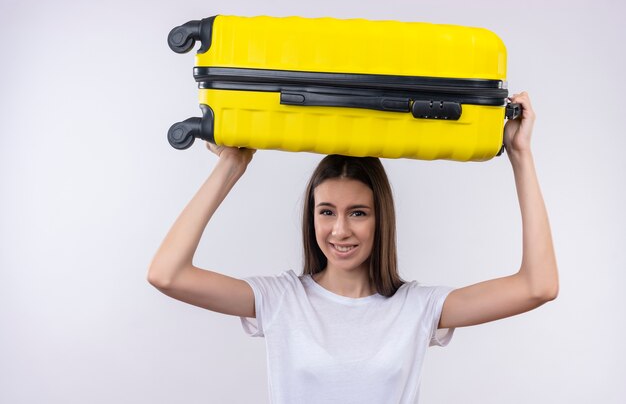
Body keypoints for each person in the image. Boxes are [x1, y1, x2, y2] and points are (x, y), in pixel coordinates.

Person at [147, 92, 558, 403]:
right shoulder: (281, 300)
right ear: (312, 218)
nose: (340, 230)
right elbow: (167, 274)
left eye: (358, 213)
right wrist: (231, 166)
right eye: (327, 212)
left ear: (382, 218)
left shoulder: (416, 308)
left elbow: (538, 286)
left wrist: (521, 155)